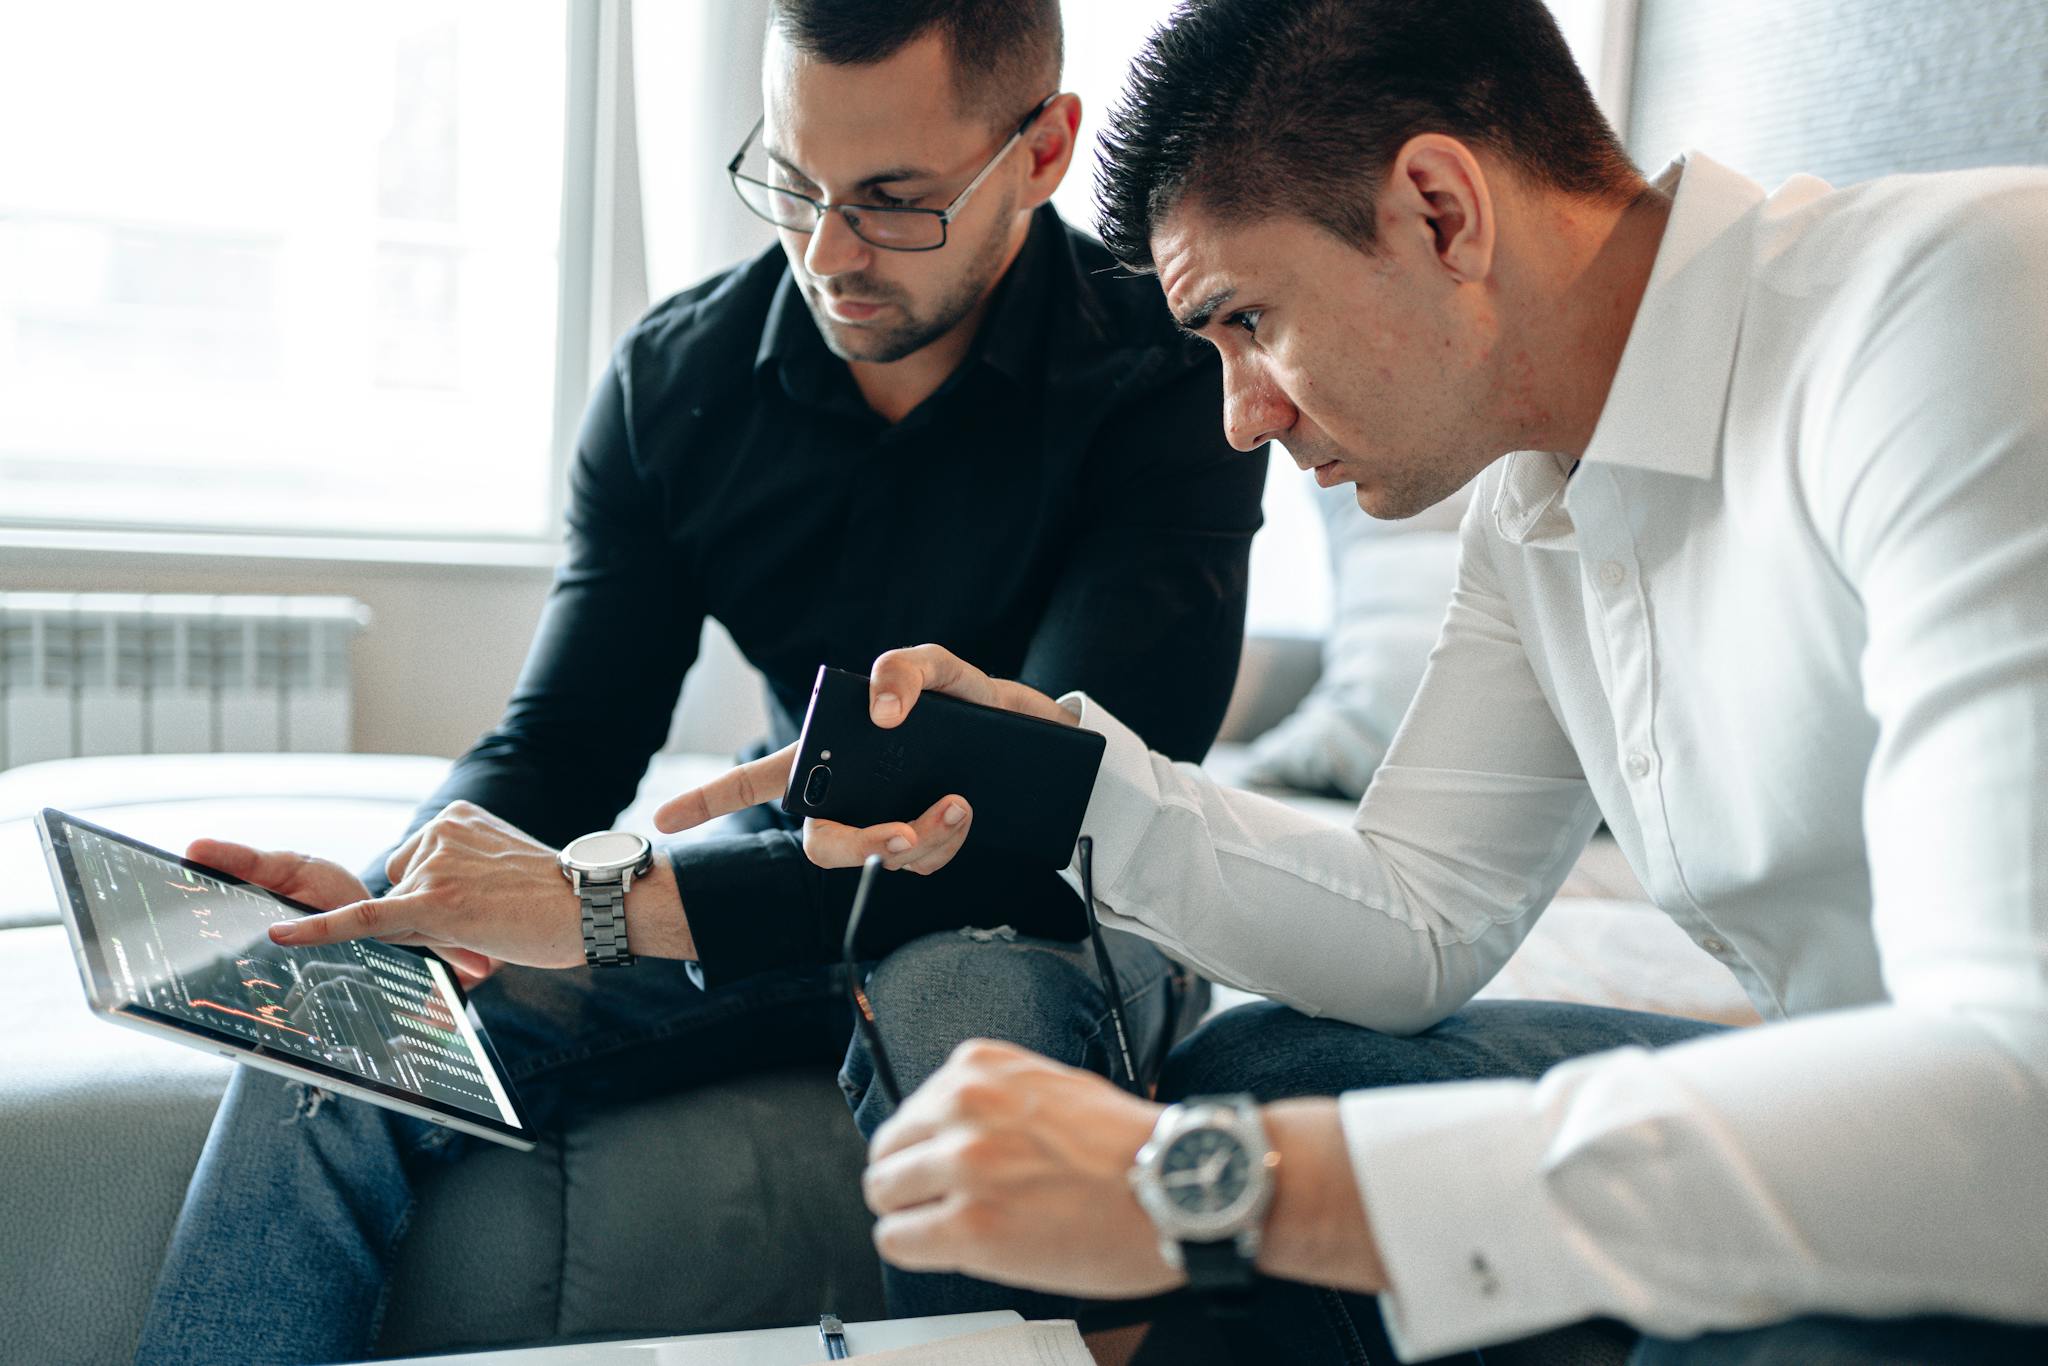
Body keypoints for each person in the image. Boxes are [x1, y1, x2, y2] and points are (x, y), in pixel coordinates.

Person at [661, 0, 2048, 1361]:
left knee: (1756, 1326)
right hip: (1885, 1090)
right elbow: (1419, 922)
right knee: (1257, 1074)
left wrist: (1222, 1182)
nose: (1240, 413)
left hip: (1998, 1132)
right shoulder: (1534, 505)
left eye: (1249, 320)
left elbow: (2020, 1099)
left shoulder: (1957, 311)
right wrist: (1052, 774)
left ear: (1440, 210)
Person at [132, 4, 1266, 1362]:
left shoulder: (1178, 373)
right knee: (349, 1025)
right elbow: (564, 740)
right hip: (773, 875)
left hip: (1060, 908)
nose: (827, 255)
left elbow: (1047, 828)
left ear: (1042, 151)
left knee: (960, 1008)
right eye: (796, 185)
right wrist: (407, 890)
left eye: (896, 203)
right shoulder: (678, 382)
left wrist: (600, 909)